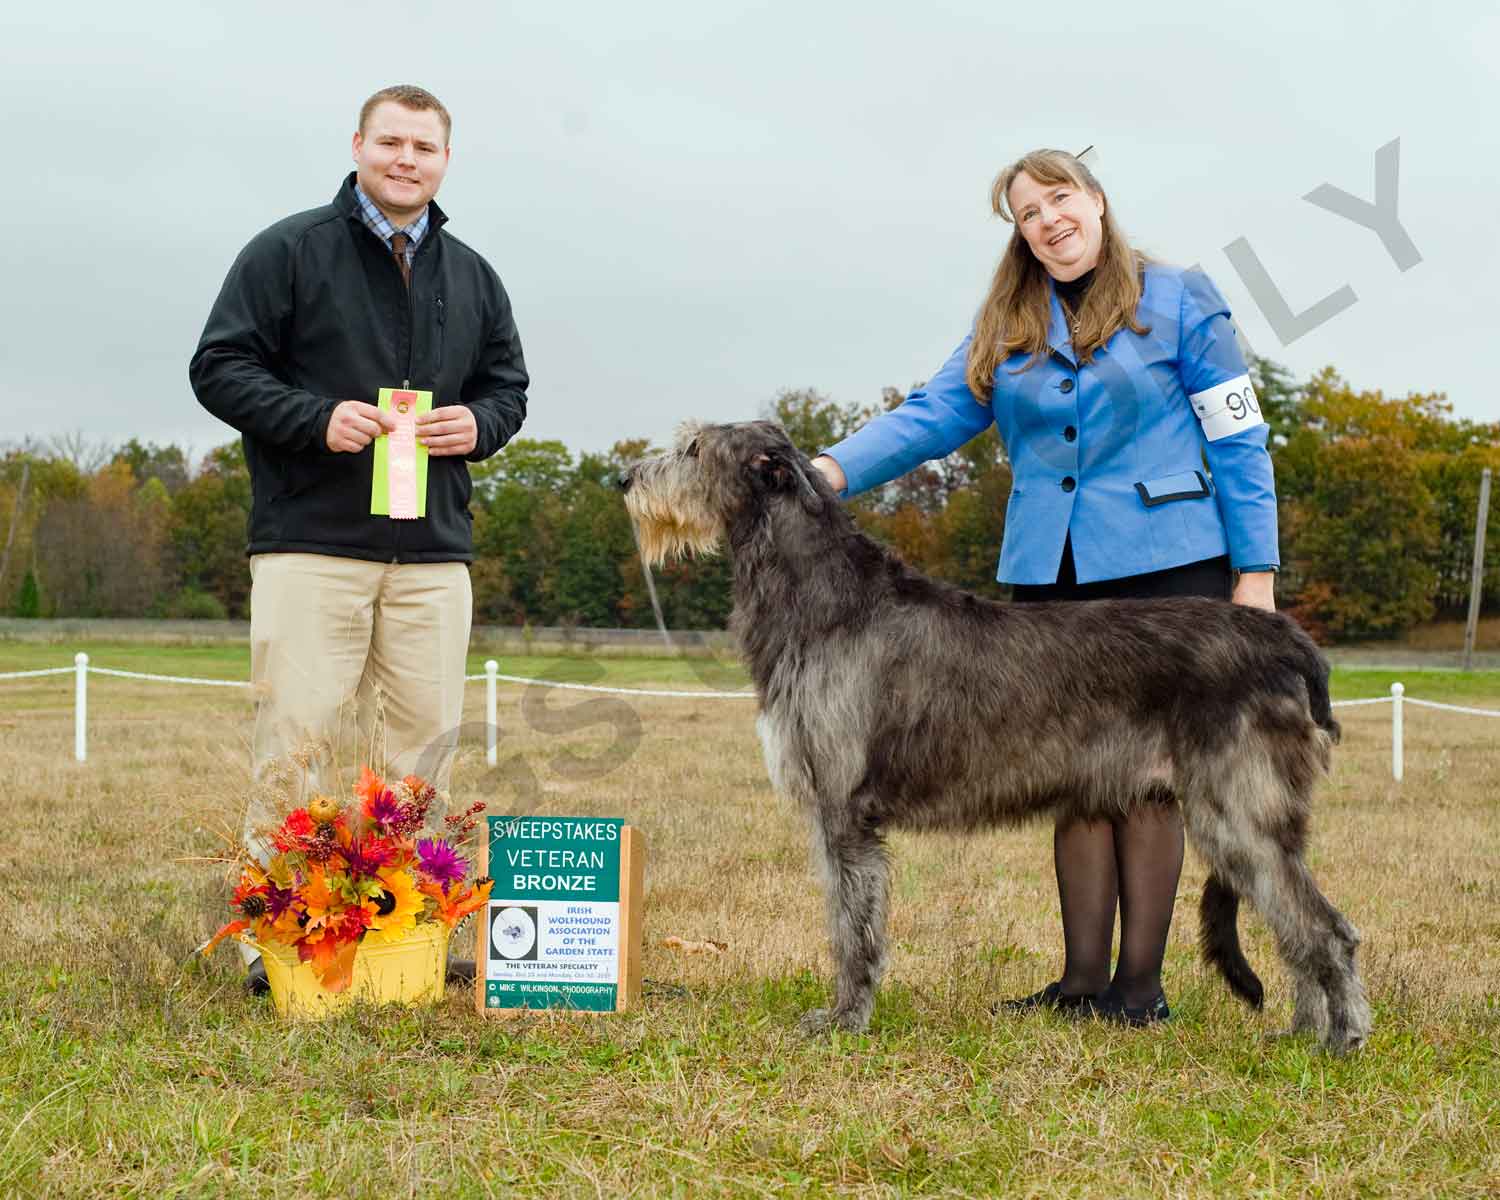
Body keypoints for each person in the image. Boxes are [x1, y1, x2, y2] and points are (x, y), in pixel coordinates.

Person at [810, 148, 1278, 1026]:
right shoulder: (1008, 316)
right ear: (1019, 232)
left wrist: (1255, 572)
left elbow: (1238, 437)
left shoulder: (1182, 298)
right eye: (1027, 213)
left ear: (1097, 201)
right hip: (1051, 570)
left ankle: (1139, 990)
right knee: (1071, 777)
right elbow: (935, 412)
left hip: (1169, 566)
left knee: (1146, 780)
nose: (1048, 221)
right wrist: (830, 469)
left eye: (1059, 199)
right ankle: (1079, 985)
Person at [189, 84, 528, 990]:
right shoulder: (288, 250)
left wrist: (482, 425)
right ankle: (277, 941)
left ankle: (410, 934)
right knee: (296, 741)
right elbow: (218, 367)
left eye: (425, 146)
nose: (406, 159)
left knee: (423, 751)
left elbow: (509, 387)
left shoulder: (474, 274)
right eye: (391, 142)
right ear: (359, 145)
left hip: (433, 554)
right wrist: (311, 417)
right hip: (312, 543)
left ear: (445, 159)